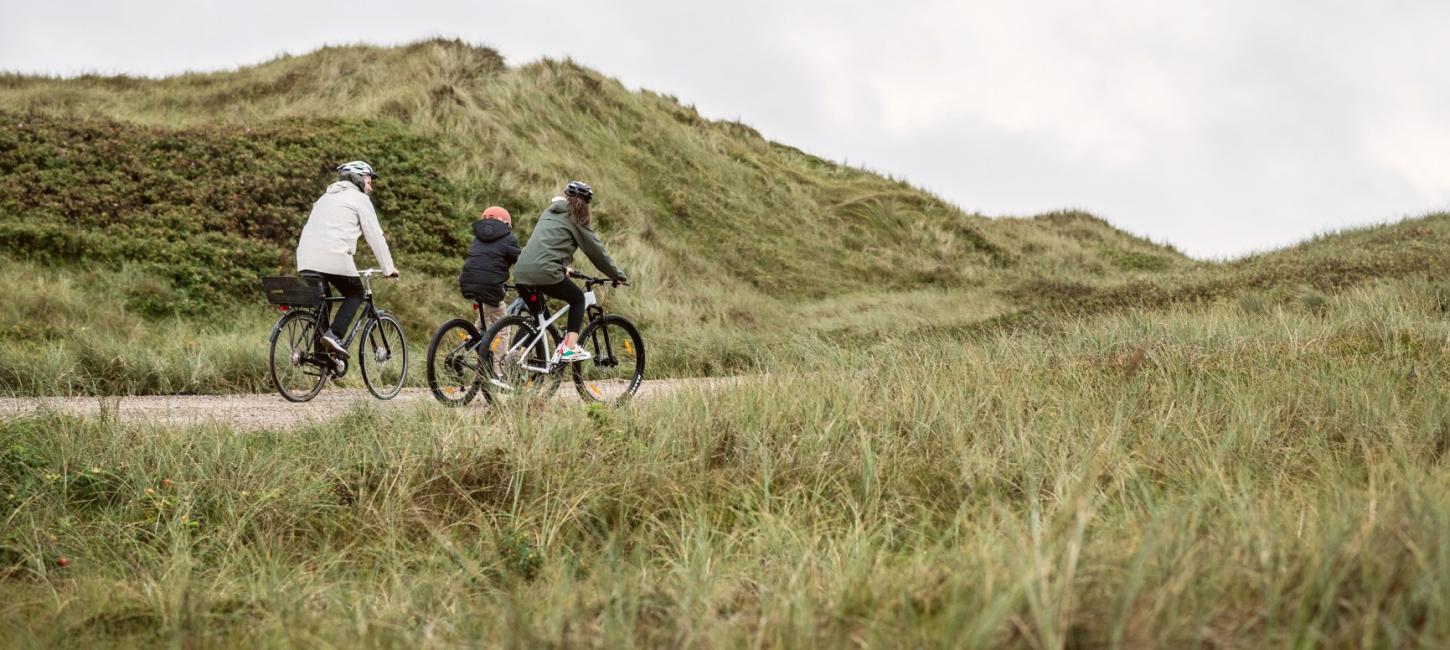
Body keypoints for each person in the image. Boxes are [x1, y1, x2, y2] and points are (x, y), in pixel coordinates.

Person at [295, 160, 399, 361]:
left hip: (306, 258)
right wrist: (388, 268)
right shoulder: (359, 199)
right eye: (369, 181)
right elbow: (375, 236)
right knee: (355, 293)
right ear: (359, 179)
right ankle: (334, 336)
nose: (370, 186)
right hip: (334, 255)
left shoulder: (324, 197)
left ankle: (321, 358)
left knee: (323, 303)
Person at [512, 181, 627, 362]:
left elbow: (546, 245)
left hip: (521, 271)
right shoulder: (577, 218)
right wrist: (616, 275)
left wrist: (562, 267)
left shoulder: (548, 212)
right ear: (585, 204)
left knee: (538, 318)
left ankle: (517, 357)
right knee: (577, 299)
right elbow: (596, 251)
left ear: (567, 197)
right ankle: (569, 348)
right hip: (545, 271)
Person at [458, 206, 520, 332]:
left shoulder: (476, 238)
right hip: (490, 286)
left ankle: (472, 340)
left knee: (485, 317)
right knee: (503, 327)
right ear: (506, 224)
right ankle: (501, 353)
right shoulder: (509, 239)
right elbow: (521, 261)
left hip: (467, 281)